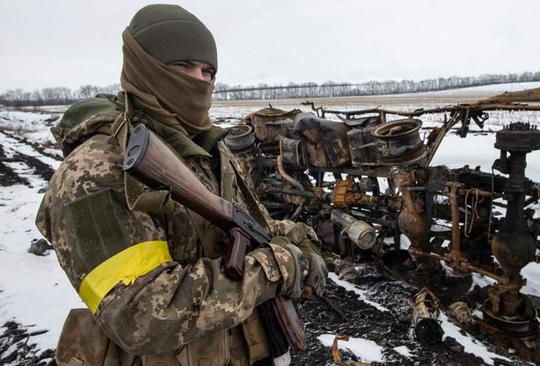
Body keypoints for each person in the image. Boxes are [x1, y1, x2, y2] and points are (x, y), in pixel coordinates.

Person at [35, 4, 327, 366]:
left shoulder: (207, 147)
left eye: (208, 71)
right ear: (144, 66)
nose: (200, 80)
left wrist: (299, 239)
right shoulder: (94, 169)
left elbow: (250, 224)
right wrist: (276, 268)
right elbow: (141, 312)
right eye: (183, 66)